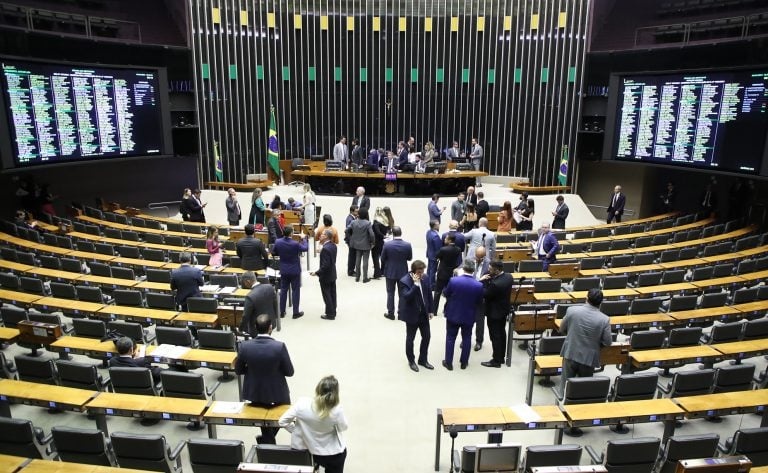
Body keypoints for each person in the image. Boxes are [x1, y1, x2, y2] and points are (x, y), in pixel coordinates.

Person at [235, 314, 294, 444]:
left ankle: (266, 441)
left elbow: (238, 370)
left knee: (264, 421)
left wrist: (251, 371)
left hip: (256, 392)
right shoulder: (279, 347)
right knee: (284, 416)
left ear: (255, 328)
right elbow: (289, 372)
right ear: (270, 328)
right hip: (278, 392)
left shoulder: (244, 346)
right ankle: (268, 443)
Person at [278, 375, 348, 473]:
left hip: (304, 450)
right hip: (331, 453)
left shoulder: (301, 403)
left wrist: (295, 430)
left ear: (318, 388)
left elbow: (282, 421)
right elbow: (343, 428)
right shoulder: (337, 410)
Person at [559, 288, 612, 396]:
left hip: (570, 352)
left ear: (586, 298)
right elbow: (608, 342)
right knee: (583, 388)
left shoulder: (572, 310)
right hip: (589, 358)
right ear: (601, 303)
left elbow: (561, 329)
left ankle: (561, 404)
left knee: (565, 385)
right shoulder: (604, 319)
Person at [442, 259, 484, 370]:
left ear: (464, 268)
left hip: (453, 314)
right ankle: (464, 362)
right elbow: (479, 302)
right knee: (467, 338)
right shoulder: (479, 285)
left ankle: (448, 362)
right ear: (473, 270)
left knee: (450, 338)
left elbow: (446, 293)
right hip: (469, 315)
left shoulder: (453, 281)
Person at [398, 260, 435, 372]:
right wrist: (415, 285)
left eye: (423, 271)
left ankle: (423, 359)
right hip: (411, 315)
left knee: (427, 336)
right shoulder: (404, 281)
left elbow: (429, 294)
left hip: (423, 314)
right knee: (410, 339)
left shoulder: (425, 277)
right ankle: (411, 361)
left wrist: (431, 310)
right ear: (414, 272)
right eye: (419, 272)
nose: (421, 274)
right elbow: (406, 297)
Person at [480, 260, 514, 368]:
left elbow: (485, 294)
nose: (488, 270)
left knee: (495, 336)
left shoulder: (495, 284)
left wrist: (483, 281)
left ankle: (496, 360)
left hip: (494, 313)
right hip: (503, 310)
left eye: (490, 269)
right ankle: (501, 357)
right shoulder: (509, 277)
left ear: (497, 270)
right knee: (501, 334)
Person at [273, 225, 309, 319]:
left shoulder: (278, 241)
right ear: (291, 233)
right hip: (294, 270)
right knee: (295, 291)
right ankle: (295, 312)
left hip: (284, 269)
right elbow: (305, 248)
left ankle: (282, 311)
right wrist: (303, 238)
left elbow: (274, 252)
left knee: (284, 290)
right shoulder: (295, 244)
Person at [381, 226, 412, 320]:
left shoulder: (387, 245)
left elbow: (382, 258)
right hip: (403, 272)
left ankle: (391, 313)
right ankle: (401, 313)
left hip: (390, 271)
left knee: (390, 293)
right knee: (402, 293)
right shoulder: (407, 245)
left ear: (392, 233)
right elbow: (409, 258)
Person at [240, 271, 279, 336]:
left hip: (257, 329)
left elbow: (245, 316)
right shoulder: (270, 287)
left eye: (244, 282)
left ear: (248, 281)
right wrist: (275, 318)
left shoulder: (249, 296)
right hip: (270, 323)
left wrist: (241, 329)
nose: (244, 284)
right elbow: (275, 304)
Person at [432, 233, 463, 315]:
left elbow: (437, 256)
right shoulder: (458, 249)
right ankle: (446, 310)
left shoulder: (443, 249)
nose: (444, 239)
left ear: (449, 240)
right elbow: (458, 261)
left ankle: (434, 311)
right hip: (451, 273)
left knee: (437, 292)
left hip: (442, 273)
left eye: (446, 238)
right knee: (449, 293)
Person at [311, 229, 338, 320]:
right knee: (332, 293)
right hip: (332, 273)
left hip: (326, 276)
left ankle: (330, 314)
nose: (320, 236)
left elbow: (325, 265)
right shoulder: (333, 245)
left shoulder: (325, 249)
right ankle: (333, 310)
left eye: (322, 235)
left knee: (327, 295)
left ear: (326, 236)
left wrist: (317, 273)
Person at [345, 208, 375, 283]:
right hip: (366, 244)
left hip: (356, 244)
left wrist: (351, 238)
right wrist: (373, 242)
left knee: (357, 260)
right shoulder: (368, 223)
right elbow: (371, 234)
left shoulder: (353, 222)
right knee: (365, 261)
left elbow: (346, 230)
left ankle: (357, 277)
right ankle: (365, 278)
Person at [471, 246, 490, 351]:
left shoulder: (489, 265)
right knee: (467, 319)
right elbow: (460, 268)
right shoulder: (469, 260)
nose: (477, 259)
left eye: (480, 258)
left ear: (484, 256)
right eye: (476, 256)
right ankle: (466, 339)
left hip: (481, 297)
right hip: (469, 295)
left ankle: (479, 341)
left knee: (479, 321)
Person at [371, 207, 393, 279]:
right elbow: (389, 230)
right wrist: (385, 236)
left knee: (375, 257)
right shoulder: (386, 220)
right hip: (384, 242)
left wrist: (382, 236)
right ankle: (383, 271)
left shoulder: (376, 222)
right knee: (383, 257)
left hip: (376, 242)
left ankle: (377, 274)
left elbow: (377, 232)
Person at [425, 220, 442, 285]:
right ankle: (431, 284)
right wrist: (439, 256)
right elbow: (438, 248)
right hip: (434, 256)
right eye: (438, 224)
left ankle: (427, 282)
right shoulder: (435, 236)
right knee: (433, 270)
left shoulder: (428, 232)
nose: (439, 225)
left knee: (429, 269)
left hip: (429, 253)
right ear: (435, 226)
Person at [344, 206, 358, 277]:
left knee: (353, 256)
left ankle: (352, 269)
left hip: (352, 240)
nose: (357, 212)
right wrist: (350, 241)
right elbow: (348, 231)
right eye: (356, 211)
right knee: (352, 256)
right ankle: (350, 271)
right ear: (352, 211)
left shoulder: (353, 218)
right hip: (351, 240)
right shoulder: (350, 219)